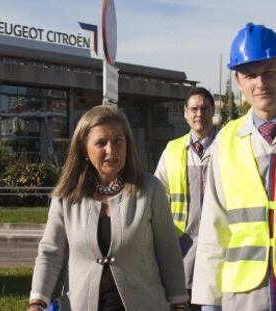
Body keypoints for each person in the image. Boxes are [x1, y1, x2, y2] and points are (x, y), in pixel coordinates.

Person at [28, 105, 189, 311]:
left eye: (118, 141)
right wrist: (37, 302)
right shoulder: (66, 197)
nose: (111, 150)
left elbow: (168, 252)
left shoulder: (150, 190)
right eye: (101, 143)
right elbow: (51, 253)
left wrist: (179, 303)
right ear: (84, 149)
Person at [192, 23, 276, 310]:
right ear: (238, 81)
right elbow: (214, 228)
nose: (260, 83)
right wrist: (208, 301)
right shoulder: (226, 141)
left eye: (268, 72)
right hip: (244, 295)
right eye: (250, 75)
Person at [155, 87, 216, 310]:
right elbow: (157, 197)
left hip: (217, 251)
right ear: (185, 113)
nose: (199, 113)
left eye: (204, 108)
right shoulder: (172, 150)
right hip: (181, 253)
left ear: (212, 111)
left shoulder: (227, 147)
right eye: (194, 109)